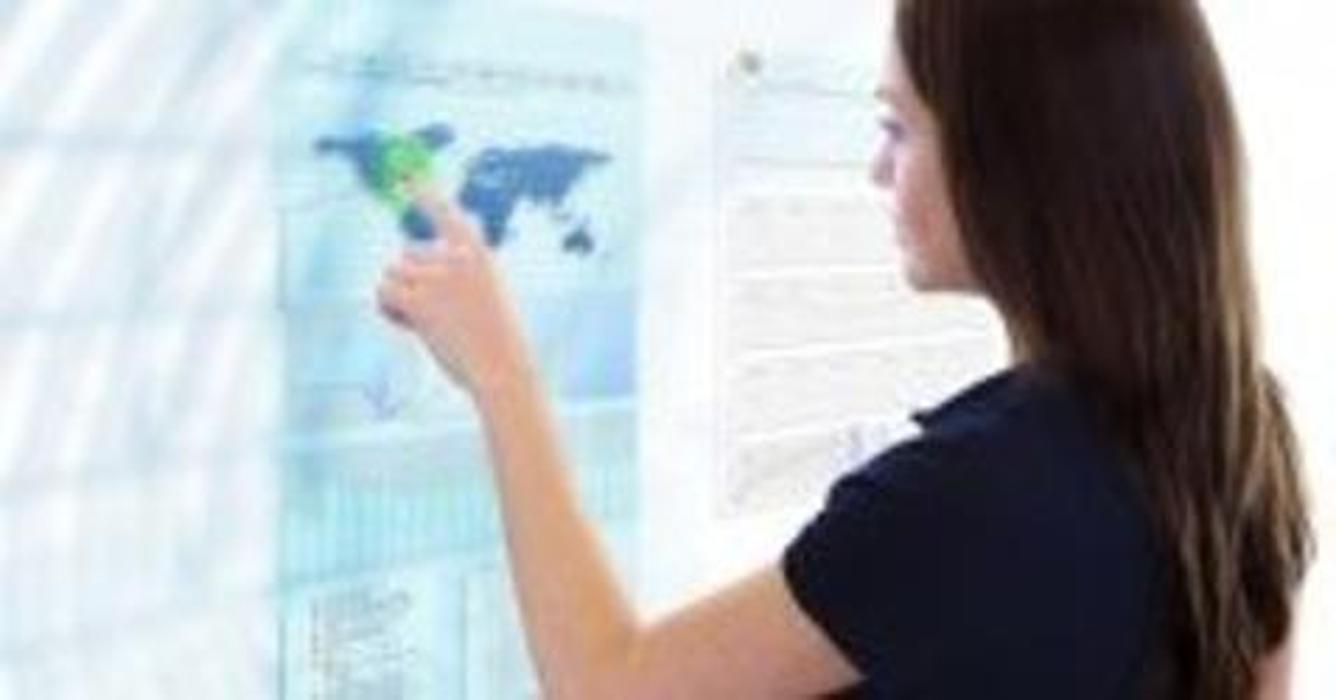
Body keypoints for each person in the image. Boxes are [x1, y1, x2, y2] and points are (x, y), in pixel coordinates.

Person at [375, 0, 1314, 697]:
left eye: (897, 128)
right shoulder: (1244, 421)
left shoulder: (968, 492)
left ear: (1015, 157)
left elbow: (607, 687)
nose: (876, 169)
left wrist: (500, 372)